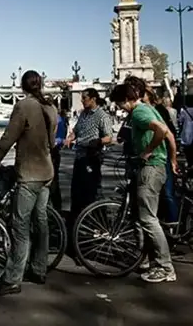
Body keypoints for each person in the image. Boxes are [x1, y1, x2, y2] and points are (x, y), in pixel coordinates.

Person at [0, 70, 57, 296]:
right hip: (47, 171)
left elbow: (8, 136)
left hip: (29, 173)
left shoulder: (24, 106)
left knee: (20, 226)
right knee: (41, 221)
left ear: (23, 85)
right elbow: (52, 141)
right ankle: (39, 269)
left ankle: (13, 278)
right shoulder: (51, 107)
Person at [109, 83, 178, 283]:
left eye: (120, 104)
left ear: (125, 100)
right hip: (157, 167)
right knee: (146, 217)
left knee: (148, 219)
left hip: (150, 168)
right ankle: (153, 262)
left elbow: (162, 130)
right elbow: (169, 135)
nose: (121, 108)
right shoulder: (149, 109)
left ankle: (165, 267)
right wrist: (171, 160)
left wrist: (148, 150)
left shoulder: (139, 113)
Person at [64, 88, 112, 226]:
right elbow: (76, 131)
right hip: (79, 156)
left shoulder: (102, 116)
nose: (82, 101)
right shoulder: (83, 115)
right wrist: (69, 138)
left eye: (84, 98)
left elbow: (109, 137)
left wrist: (98, 142)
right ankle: (77, 221)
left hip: (92, 157)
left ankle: (99, 222)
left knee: (92, 191)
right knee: (77, 190)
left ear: (93, 99)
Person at [49, 109, 68, 212]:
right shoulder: (57, 118)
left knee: (53, 183)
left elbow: (60, 139)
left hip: (52, 153)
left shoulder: (57, 119)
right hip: (51, 153)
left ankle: (57, 210)